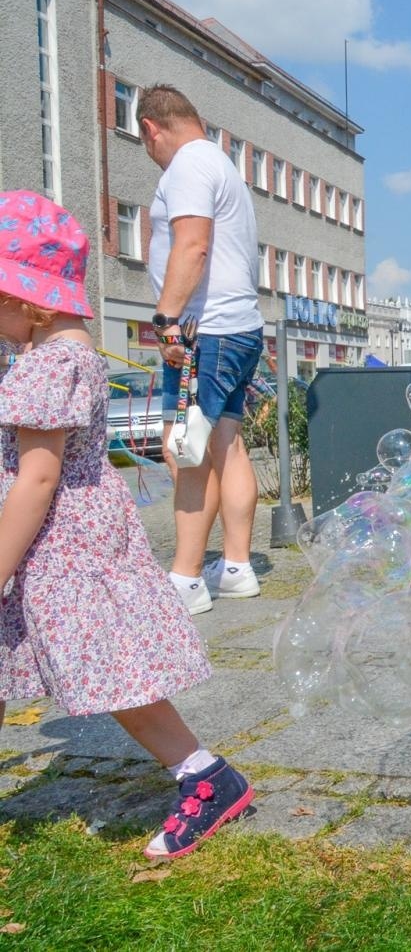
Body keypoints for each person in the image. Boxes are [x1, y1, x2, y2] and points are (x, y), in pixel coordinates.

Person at [0, 191, 253, 859]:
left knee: (113, 671)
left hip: (58, 544)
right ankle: (205, 774)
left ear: (34, 303)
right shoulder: (78, 353)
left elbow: (37, 478)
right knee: (74, 666)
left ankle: (205, 775)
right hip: (78, 533)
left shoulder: (45, 364)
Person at [136, 85, 265, 614]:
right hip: (239, 328)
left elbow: (193, 243)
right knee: (225, 447)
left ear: (151, 129)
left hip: (205, 332)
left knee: (184, 451)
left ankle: (186, 580)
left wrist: (166, 318)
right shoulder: (221, 164)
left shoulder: (187, 165)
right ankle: (236, 568)